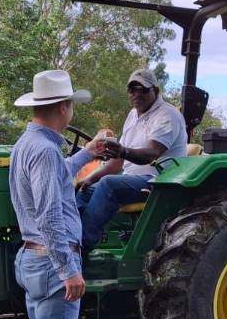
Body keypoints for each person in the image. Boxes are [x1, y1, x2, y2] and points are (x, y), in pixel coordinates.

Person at [9, 69, 103, 319]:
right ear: (63, 107)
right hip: (52, 262)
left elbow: (59, 178)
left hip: (31, 259)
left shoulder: (27, 144)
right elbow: (50, 215)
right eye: (71, 107)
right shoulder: (45, 150)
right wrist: (69, 269)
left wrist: (89, 153)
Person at [75, 68, 188, 251]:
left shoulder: (167, 115)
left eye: (142, 89)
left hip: (159, 182)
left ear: (155, 91)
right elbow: (117, 163)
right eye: (131, 90)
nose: (136, 94)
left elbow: (151, 154)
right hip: (133, 179)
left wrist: (123, 151)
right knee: (85, 189)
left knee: (108, 184)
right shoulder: (133, 115)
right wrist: (89, 179)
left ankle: (80, 246)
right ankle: (69, 237)